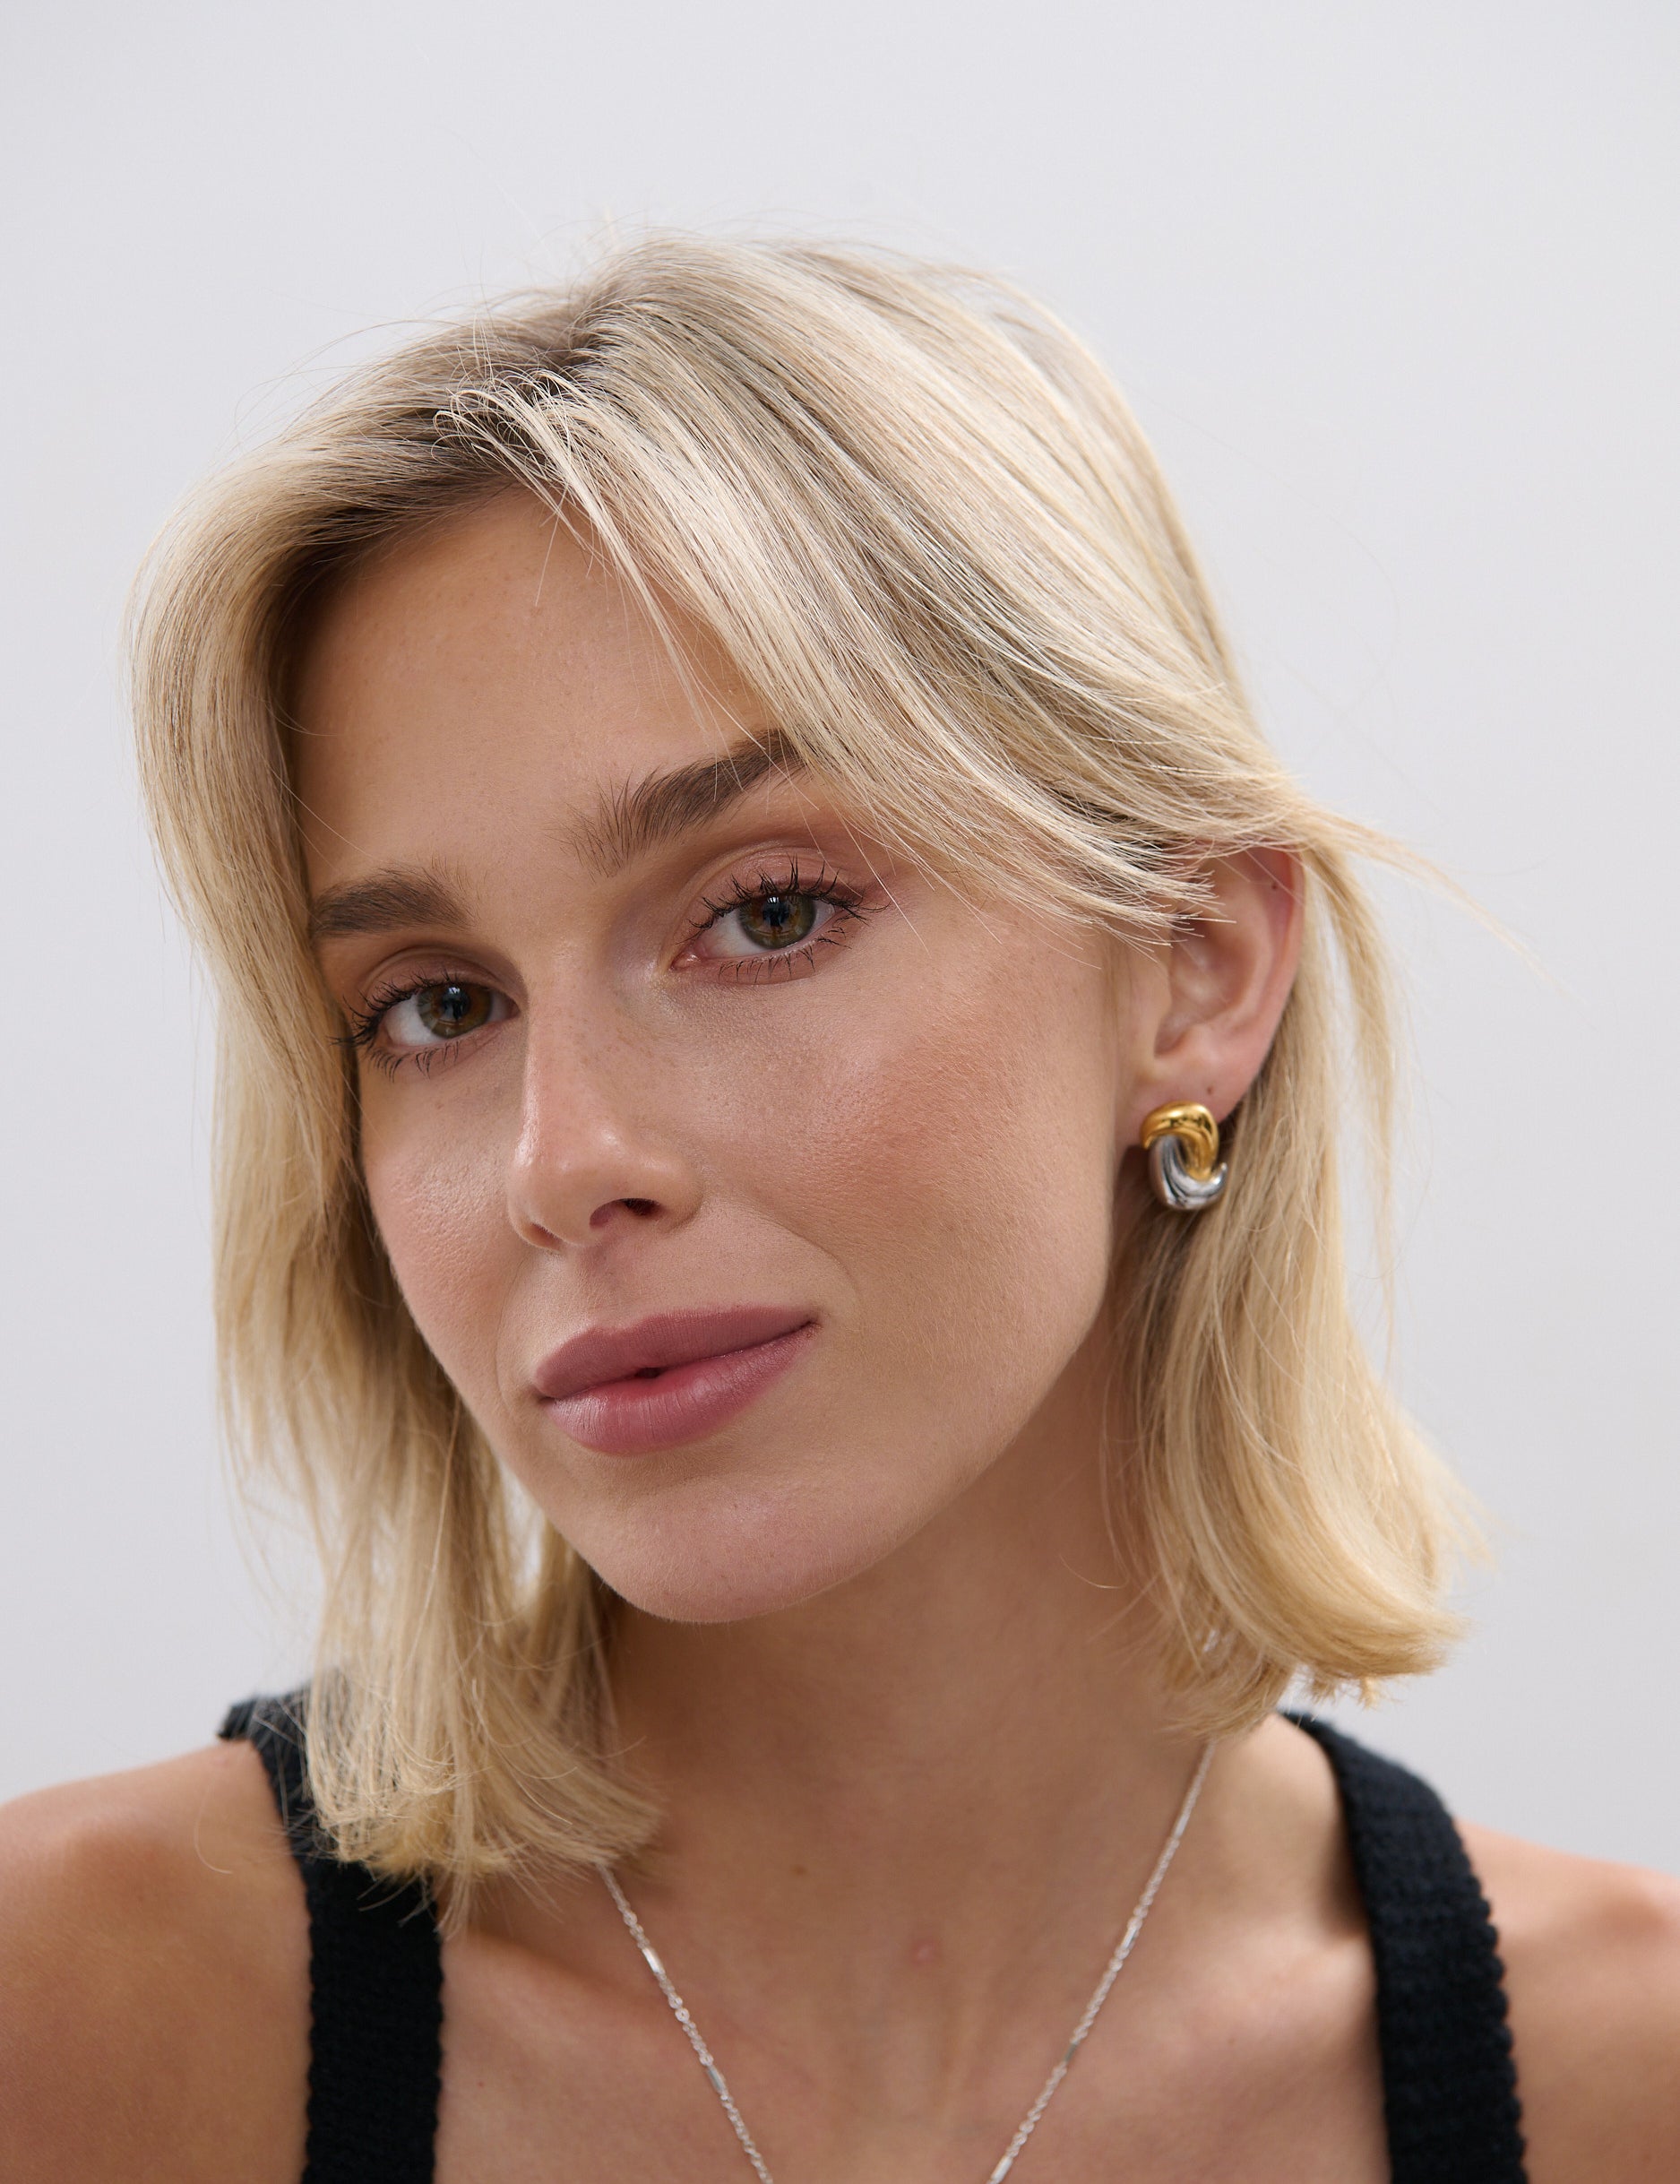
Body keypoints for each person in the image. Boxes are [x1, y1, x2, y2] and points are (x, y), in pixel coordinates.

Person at [1, 235, 1675, 2184]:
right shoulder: (74, 2029)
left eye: (765, 911)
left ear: (1192, 964)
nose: (561, 1158)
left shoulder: (1627, 2083)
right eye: (437, 1006)